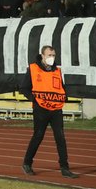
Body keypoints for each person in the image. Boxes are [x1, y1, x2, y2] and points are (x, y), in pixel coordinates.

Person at [20, 45, 79, 178]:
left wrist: (64, 96)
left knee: (60, 138)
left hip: (56, 109)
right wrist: (34, 99)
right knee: (38, 136)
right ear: (42, 56)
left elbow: (61, 88)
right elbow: (23, 88)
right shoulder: (33, 69)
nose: (51, 58)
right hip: (40, 109)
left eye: (53, 55)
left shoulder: (57, 71)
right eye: (49, 55)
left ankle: (64, 168)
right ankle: (27, 163)